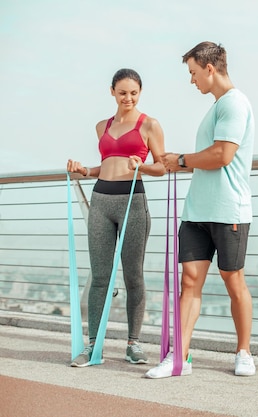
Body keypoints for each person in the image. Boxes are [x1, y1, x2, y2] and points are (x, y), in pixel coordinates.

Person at [144, 41, 255, 378]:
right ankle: (180, 357)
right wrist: (179, 161)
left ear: (209, 68)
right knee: (189, 281)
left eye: (193, 72)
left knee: (233, 281)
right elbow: (207, 156)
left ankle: (244, 352)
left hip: (228, 210)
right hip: (196, 212)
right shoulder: (217, 107)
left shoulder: (235, 104)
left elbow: (223, 155)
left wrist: (181, 160)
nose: (191, 80)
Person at [67, 68, 166, 367]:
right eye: (122, 92)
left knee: (133, 276)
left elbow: (162, 166)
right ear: (112, 92)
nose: (128, 98)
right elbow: (106, 165)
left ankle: (133, 344)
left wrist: (142, 165)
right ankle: (93, 345)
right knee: (99, 277)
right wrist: (84, 170)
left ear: (140, 93)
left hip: (133, 203)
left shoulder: (149, 124)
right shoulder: (102, 126)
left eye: (134, 93)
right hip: (100, 201)